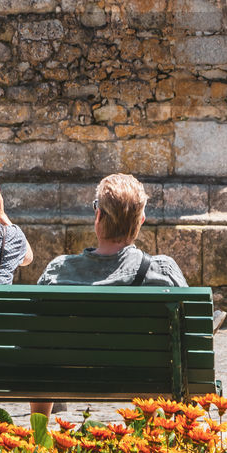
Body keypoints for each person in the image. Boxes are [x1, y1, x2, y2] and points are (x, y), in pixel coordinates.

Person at [32, 173, 186, 415]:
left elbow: (35, 340)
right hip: (145, 377)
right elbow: (186, 339)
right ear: (141, 219)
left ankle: (38, 431)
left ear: (98, 216)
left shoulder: (58, 273)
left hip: (68, 377)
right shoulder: (162, 272)